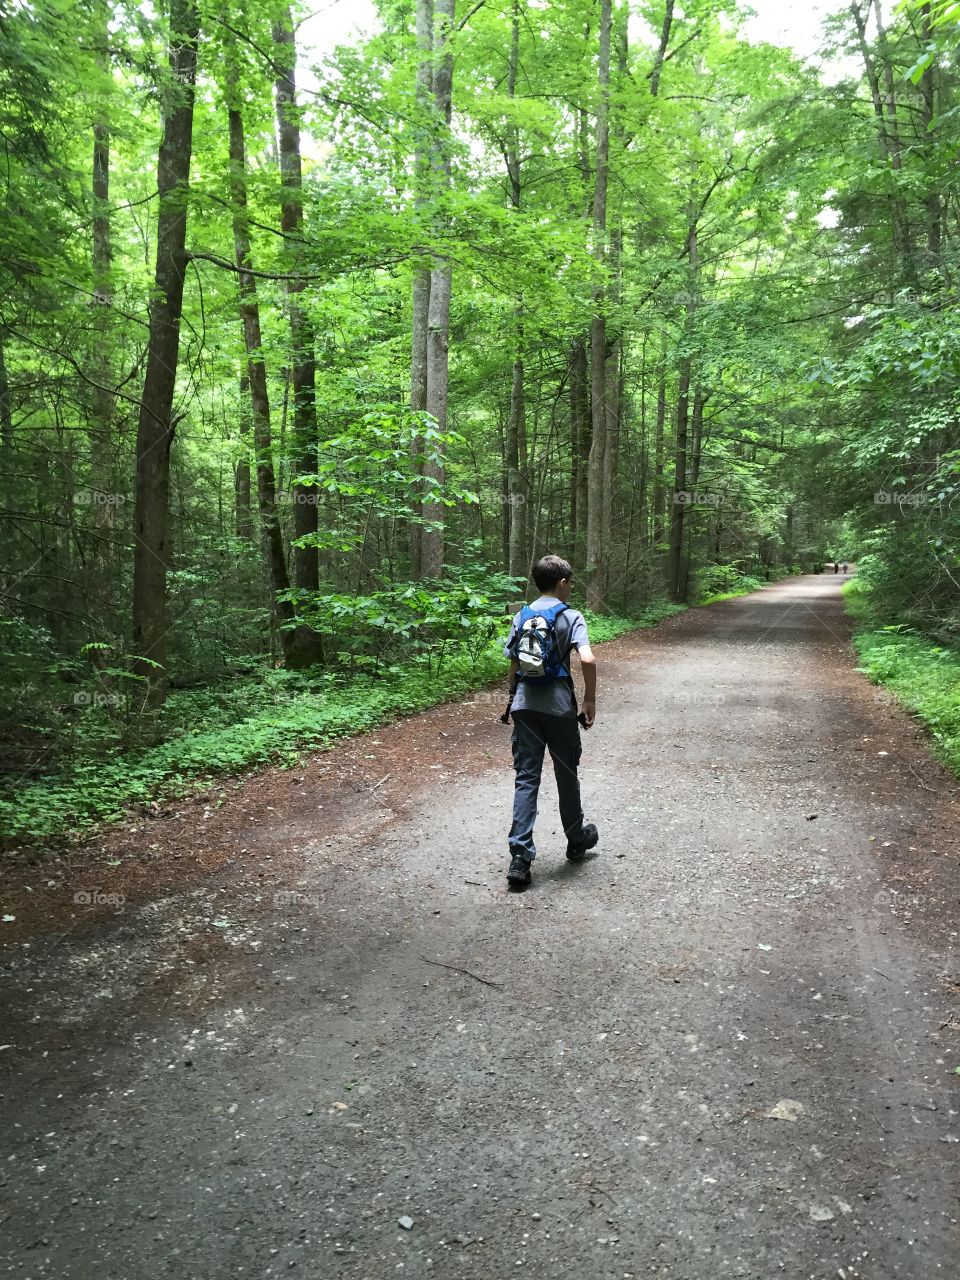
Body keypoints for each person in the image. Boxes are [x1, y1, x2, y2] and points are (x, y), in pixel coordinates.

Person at [502, 555, 598, 889]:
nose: (570, 587)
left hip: (525, 707)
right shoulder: (571, 616)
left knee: (527, 778)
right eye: (570, 582)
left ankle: (520, 857)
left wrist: (511, 699)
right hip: (558, 709)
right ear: (561, 584)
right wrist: (589, 699)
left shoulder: (522, 616)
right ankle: (576, 839)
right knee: (566, 775)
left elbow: (514, 662)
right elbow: (587, 657)